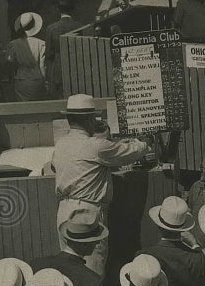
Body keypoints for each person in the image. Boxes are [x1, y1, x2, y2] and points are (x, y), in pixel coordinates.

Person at [52, 93, 150, 228]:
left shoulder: (61, 144)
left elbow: (54, 166)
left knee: (68, 250)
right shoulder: (96, 145)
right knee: (93, 248)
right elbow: (130, 152)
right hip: (87, 210)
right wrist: (145, 143)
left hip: (63, 209)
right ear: (89, 119)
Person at [42, 0, 81, 98]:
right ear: (73, 9)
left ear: (58, 10)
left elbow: (49, 54)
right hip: (76, 68)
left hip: (58, 68)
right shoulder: (79, 26)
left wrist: (48, 77)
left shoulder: (51, 28)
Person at [6, 12, 47, 101]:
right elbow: (42, 65)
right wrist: (44, 81)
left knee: (23, 108)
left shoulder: (13, 44)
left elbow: (10, 62)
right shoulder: (41, 43)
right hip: (37, 80)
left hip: (21, 80)